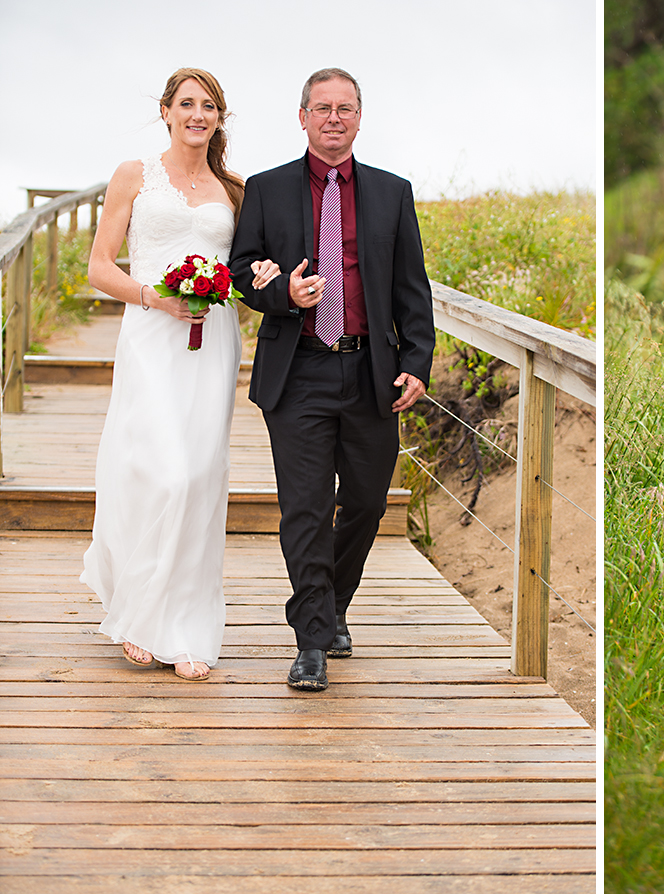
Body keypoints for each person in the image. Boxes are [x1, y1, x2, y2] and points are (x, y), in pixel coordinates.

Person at [230, 68, 435, 692]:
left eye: (345, 108)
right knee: (306, 509)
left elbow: (411, 287)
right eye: (323, 108)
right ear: (303, 117)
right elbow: (242, 271)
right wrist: (284, 294)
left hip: (370, 368)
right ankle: (313, 639)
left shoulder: (392, 192)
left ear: (359, 116)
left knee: (368, 502)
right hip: (298, 372)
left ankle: (330, 603)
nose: (334, 118)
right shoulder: (265, 189)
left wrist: (416, 361)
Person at [82, 69, 277, 680]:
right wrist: (152, 296)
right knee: (158, 470)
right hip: (151, 333)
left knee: (198, 476)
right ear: (166, 111)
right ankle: (138, 612)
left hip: (212, 341)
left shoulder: (235, 190)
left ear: (220, 117)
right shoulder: (134, 175)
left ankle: (188, 626)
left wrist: (265, 279)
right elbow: (97, 268)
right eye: (187, 103)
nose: (198, 113)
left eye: (210, 105)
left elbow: (246, 269)